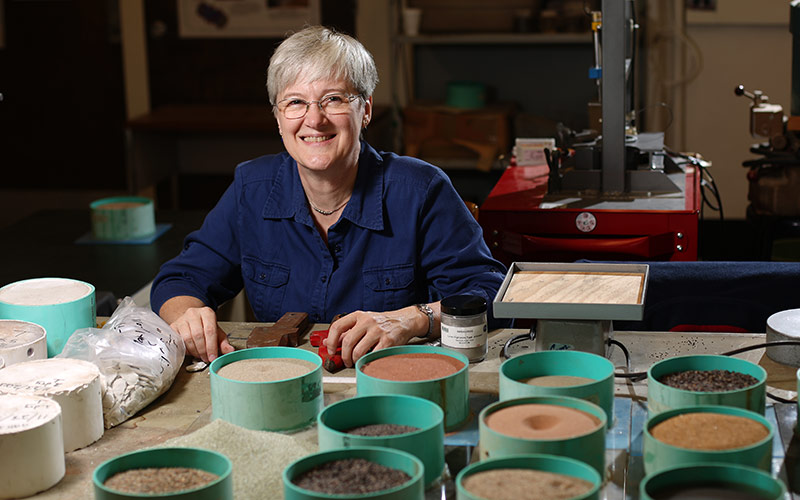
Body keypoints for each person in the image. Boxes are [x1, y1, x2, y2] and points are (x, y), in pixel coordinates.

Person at [150, 25, 508, 366]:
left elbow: (489, 292)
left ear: (365, 110)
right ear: (278, 117)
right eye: (295, 102)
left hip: (394, 379)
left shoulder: (420, 190)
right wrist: (188, 316)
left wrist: (412, 319)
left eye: (333, 99)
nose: (314, 119)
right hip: (281, 381)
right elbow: (179, 280)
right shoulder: (252, 188)